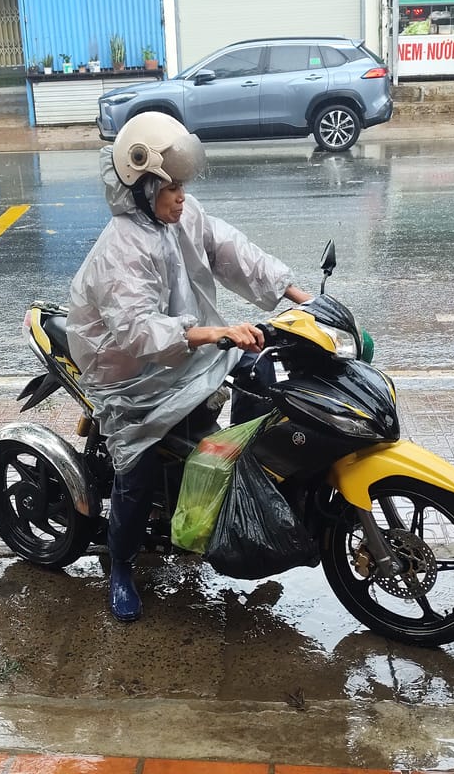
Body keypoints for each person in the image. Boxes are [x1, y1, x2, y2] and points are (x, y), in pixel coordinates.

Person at [66, 112, 312, 622]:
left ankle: (233, 484)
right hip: (128, 377)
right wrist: (216, 333)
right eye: (171, 187)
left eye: (182, 185)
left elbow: (229, 249)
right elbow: (138, 332)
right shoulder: (120, 250)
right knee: (136, 473)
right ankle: (121, 567)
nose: (182, 196)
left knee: (260, 369)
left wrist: (296, 294)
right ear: (142, 187)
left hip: (183, 351)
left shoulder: (181, 216)